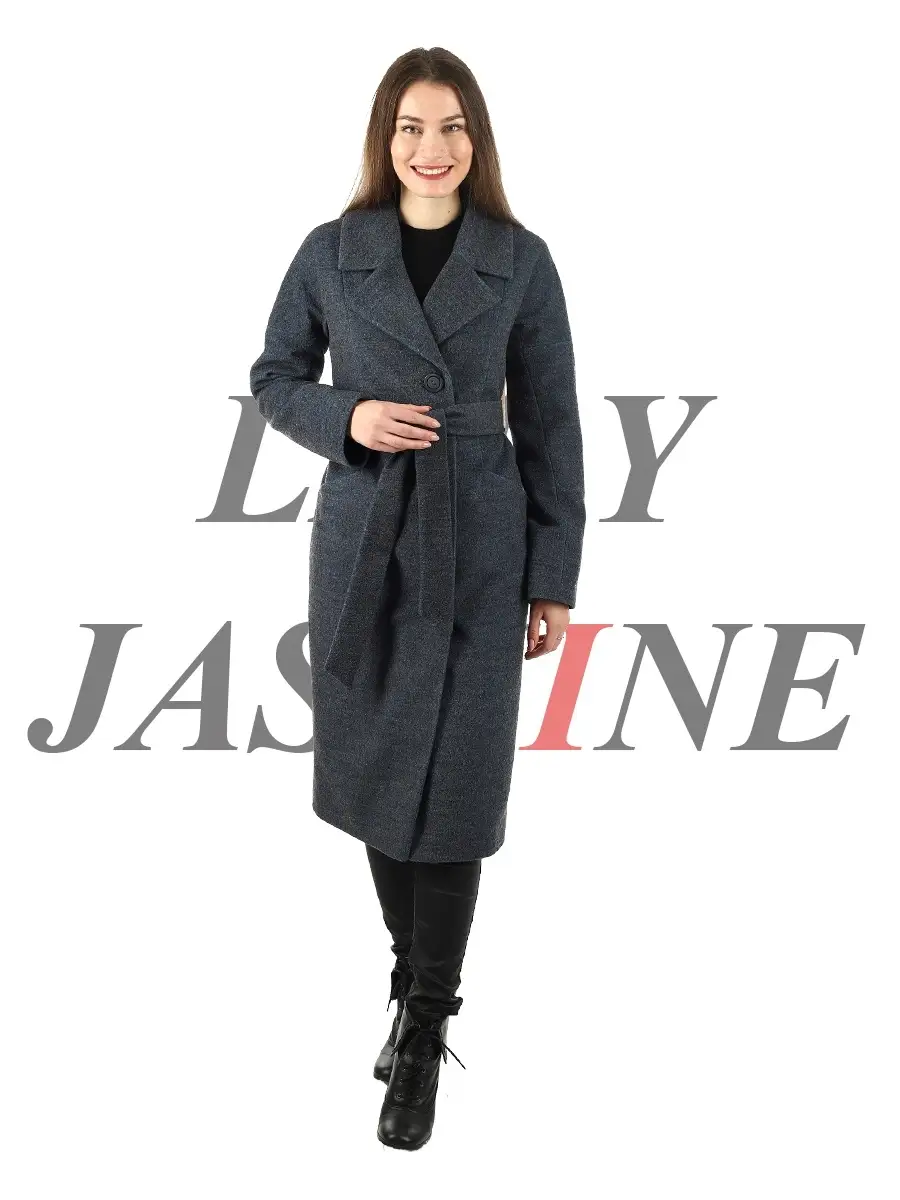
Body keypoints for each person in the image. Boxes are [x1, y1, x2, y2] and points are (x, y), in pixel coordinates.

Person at [249, 47, 585, 1151]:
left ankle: (427, 1025)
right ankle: (412, 981)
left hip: (482, 539)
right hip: (367, 540)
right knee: (382, 762)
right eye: (410, 127)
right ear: (383, 138)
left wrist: (553, 574)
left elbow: (552, 423)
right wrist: (347, 418)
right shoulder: (330, 252)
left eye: (450, 127)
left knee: (460, 779)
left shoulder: (520, 260)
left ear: (475, 139)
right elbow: (274, 377)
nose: (430, 149)